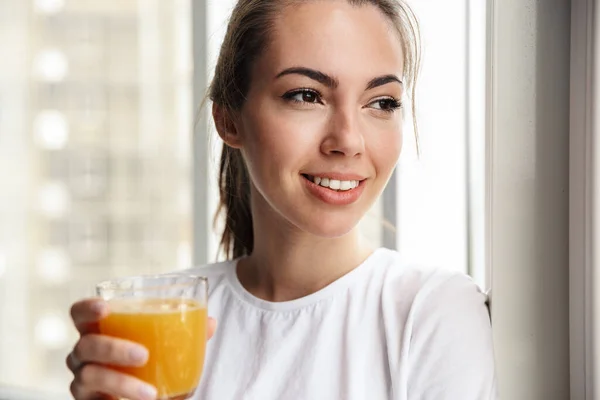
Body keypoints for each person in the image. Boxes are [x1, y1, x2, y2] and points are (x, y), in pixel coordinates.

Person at [66, 0, 497, 399]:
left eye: (381, 102)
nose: (348, 140)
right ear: (228, 118)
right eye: (306, 95)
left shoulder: (431, 313)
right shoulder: (169, 318)